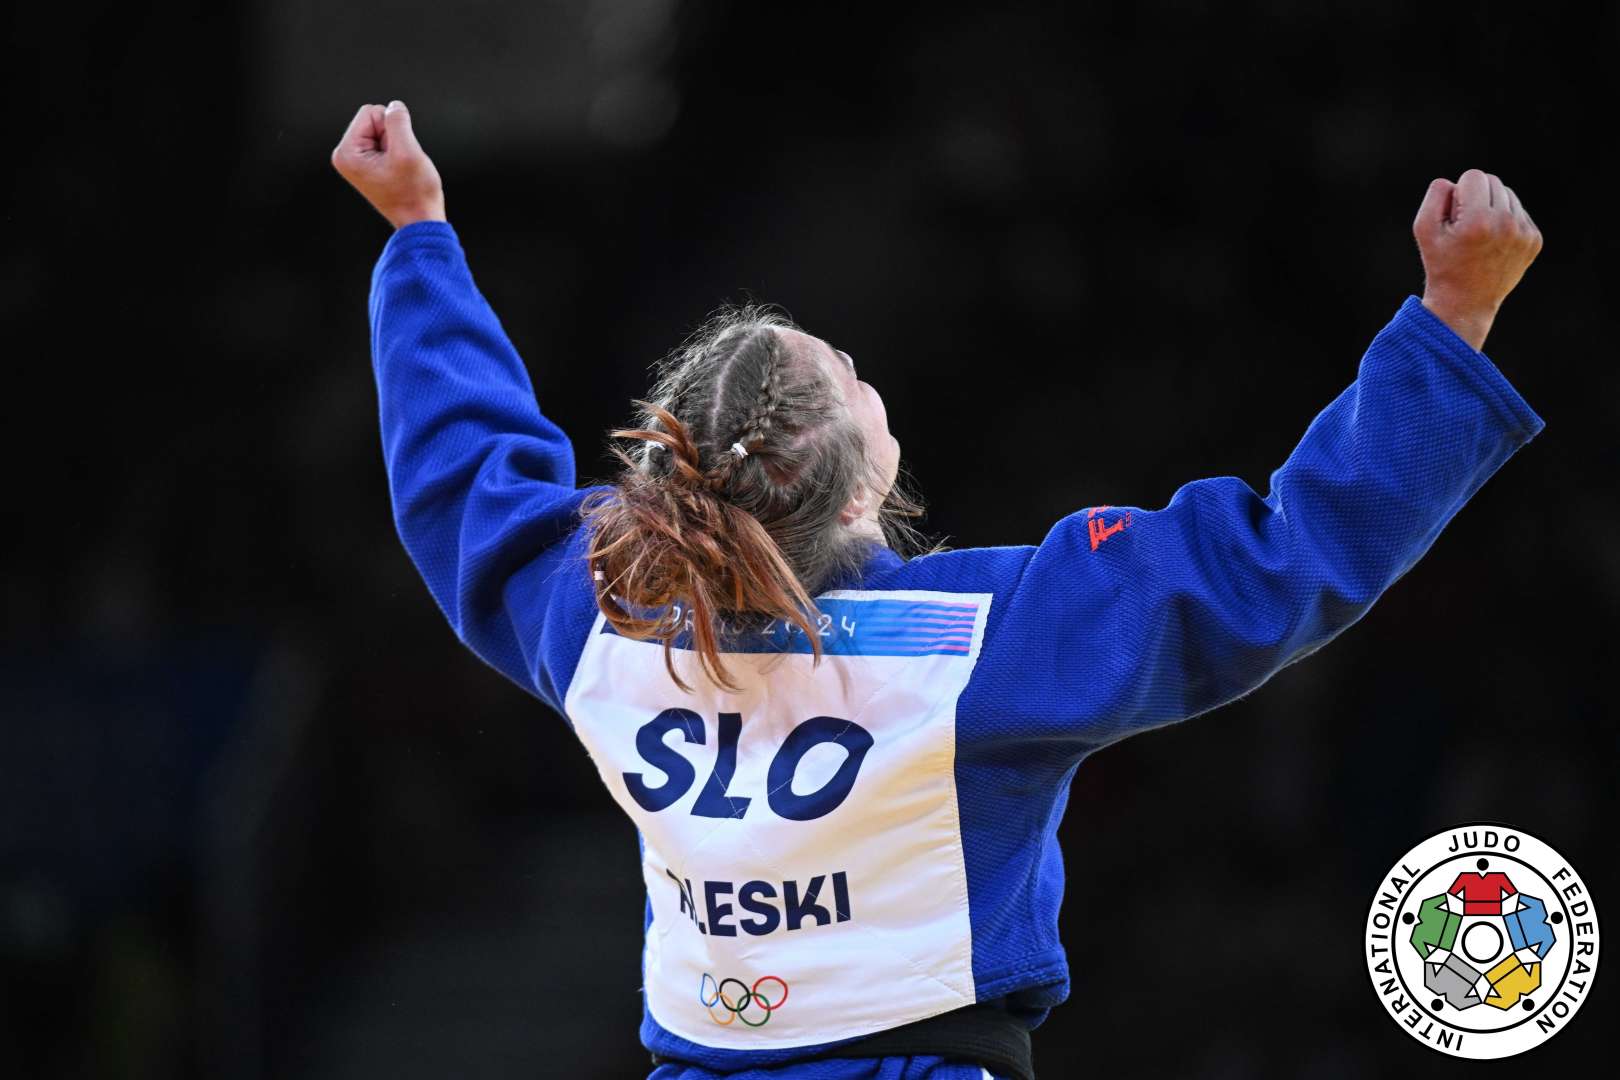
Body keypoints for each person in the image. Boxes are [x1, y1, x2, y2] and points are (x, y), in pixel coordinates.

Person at [332, 99, 1545, 1080]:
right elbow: (1275, 564)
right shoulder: (972, 651)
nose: (864, 372)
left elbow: (467, 486)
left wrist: (417, 238)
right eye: (851, 376)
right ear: (861, 488)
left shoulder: (604, 622)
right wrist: (1454, 321)